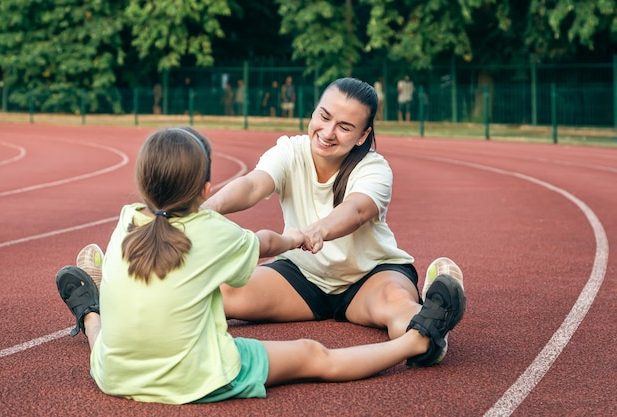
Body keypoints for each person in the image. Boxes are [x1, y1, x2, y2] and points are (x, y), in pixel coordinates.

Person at [56, 126, 466, 405]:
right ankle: (416, 341)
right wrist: (296, 239)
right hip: (199, 376)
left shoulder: (127, 219)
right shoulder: (213, 231)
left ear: (142, 184)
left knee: (108, 334)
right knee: (314, 356)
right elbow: (266, 243)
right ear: (205, 189)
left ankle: (90, 312)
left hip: (113, 374)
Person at [202, 77, 466, 366]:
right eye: (324, 117)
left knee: (397, 306)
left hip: (368, 277)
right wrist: (206, 209)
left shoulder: (374, 169)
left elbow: (355, 211)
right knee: (219, 292)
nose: (327, 132)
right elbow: (253, 186)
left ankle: (429, 333)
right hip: (301, 277)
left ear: (363, 136)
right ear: (314, 111)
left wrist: (319, 230)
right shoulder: (290, 151)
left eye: (344, 127)